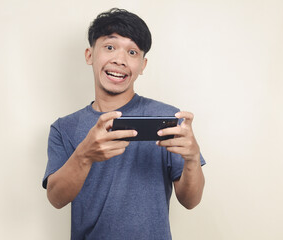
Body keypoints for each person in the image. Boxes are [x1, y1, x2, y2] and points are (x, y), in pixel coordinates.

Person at [43, 8, 206, 240]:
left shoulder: (168, 119)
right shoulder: (64, 128)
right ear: (90, 55)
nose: (120, 60)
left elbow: (191, 201)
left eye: (132, 52)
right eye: (109, 47)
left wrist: (192, 158)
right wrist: (85, 155)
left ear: (143, 65)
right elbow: (56, 199)